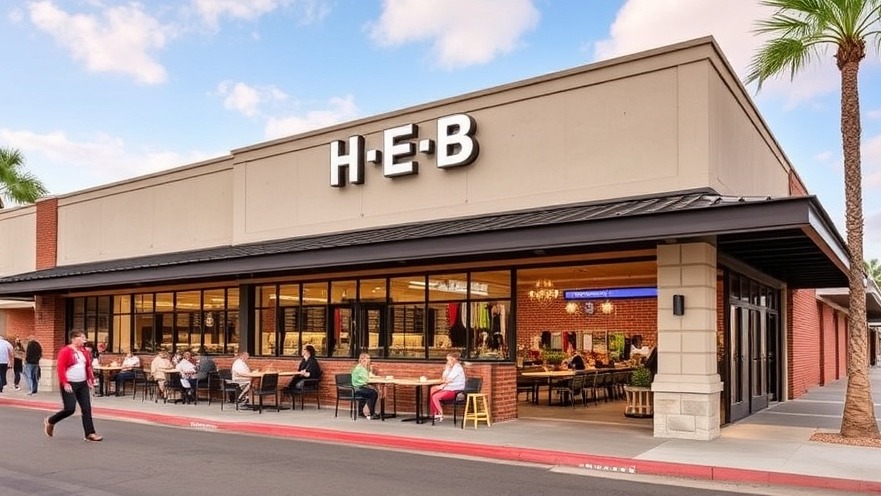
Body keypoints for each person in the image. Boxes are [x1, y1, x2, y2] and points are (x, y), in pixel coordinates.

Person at [44, 330, 103, 442]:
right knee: (70, 409)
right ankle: (51, 421)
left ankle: (90, 433)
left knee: (86, 408)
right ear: (74, 338)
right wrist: (65, 382)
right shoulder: (65, 351)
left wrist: (90, 379)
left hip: (82, 383)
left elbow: (88, 367)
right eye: (82, 338)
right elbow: (60, 367)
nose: (84, 340)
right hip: (70, 383)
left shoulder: (84, 352)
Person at [429, 351, 466, 422]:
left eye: (449, 360)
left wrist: (442, 386)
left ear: (454, 359)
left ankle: (439, 414)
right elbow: (444, 378)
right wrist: (447, 369)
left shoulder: (457, 368)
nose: (447, 361)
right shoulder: (451, 368)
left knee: (435, 396)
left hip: (455, 390)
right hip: (449, 387)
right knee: (432, 389)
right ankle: (434, 413)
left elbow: (448, 380)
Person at [351, 353, 378, 419]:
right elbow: (366, 379)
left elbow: (368, 376)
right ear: (362, 359)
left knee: (371, 391)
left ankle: (361, 412)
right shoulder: (360, 368)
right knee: (373, 393)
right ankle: (371, 413)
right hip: (357, 388)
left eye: (369, 358)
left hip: (359, 387)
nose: (369, 360)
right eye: (367, 358)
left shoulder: (362, 367)